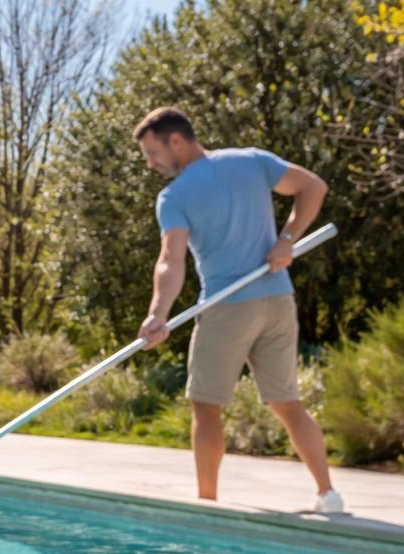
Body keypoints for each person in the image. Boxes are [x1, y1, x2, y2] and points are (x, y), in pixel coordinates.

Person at [133, 106, 343, 514]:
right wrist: (287, 239)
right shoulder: (251, 160)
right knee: (288, 402)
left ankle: (207, 504)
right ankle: (328, 496)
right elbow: (313, 187)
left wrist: (158, 313)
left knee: (207, 405)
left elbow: (170, 261)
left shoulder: (174, 196)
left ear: (176, 140)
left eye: (152, 152)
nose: (150, 163)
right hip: (278, 300)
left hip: (227, 306)